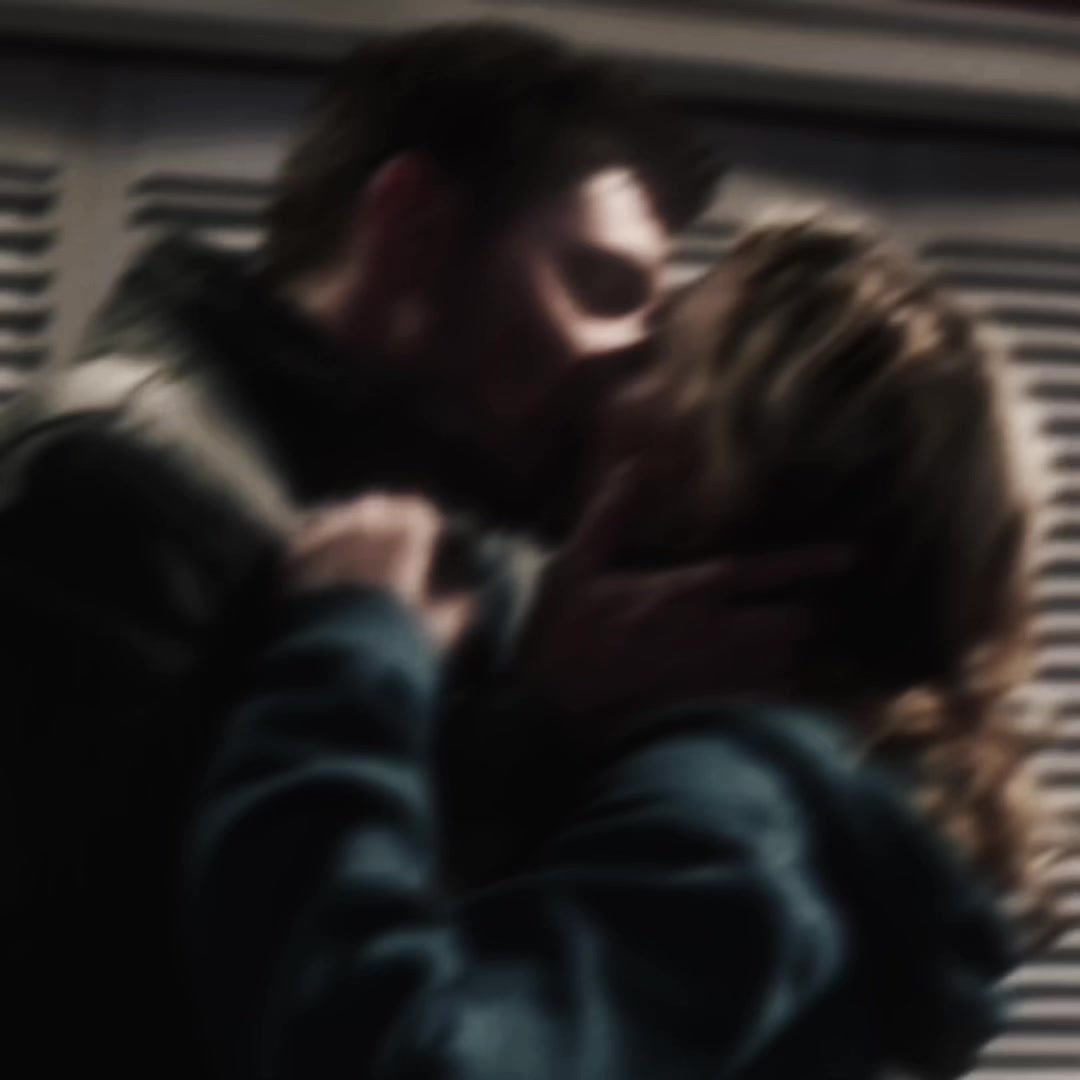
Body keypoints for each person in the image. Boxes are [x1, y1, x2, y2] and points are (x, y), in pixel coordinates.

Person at [0, 24, 827, 1080]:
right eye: (604, 287)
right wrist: (528, 729)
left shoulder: (461, 537)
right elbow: (131, 1001)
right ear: (416, 229)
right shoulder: (107, 484)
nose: (631, 369)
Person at [185, 212, 1058, 1079]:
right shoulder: (812, 799)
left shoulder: (734, 817)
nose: (608, 372)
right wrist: (533, 724)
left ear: (723, 467)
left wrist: (350, 653)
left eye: (658, 355)